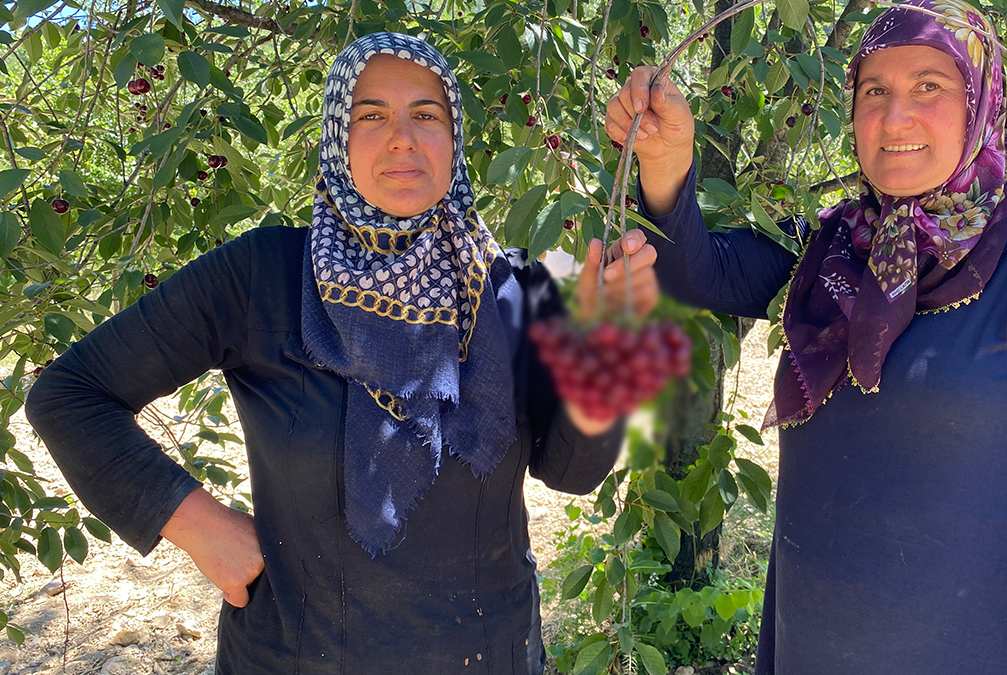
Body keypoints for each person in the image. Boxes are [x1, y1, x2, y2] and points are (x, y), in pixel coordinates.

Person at [26, 32, 659, 674]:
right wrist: (195, 524)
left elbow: (573, 471)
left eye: (427, 115)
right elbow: (70, 396)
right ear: (336, 136)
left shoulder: (514, 292)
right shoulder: (263, 276)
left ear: (456, 138)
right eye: (371, 115)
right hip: (298, 656)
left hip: (488, 654)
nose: (403, 138)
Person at [605, 0, 1007, 671]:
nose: (894, 116)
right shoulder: (832, 251)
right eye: (874, 90)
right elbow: (696, 270)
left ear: (980, 102)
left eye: (929, 87)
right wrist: (668, 161)